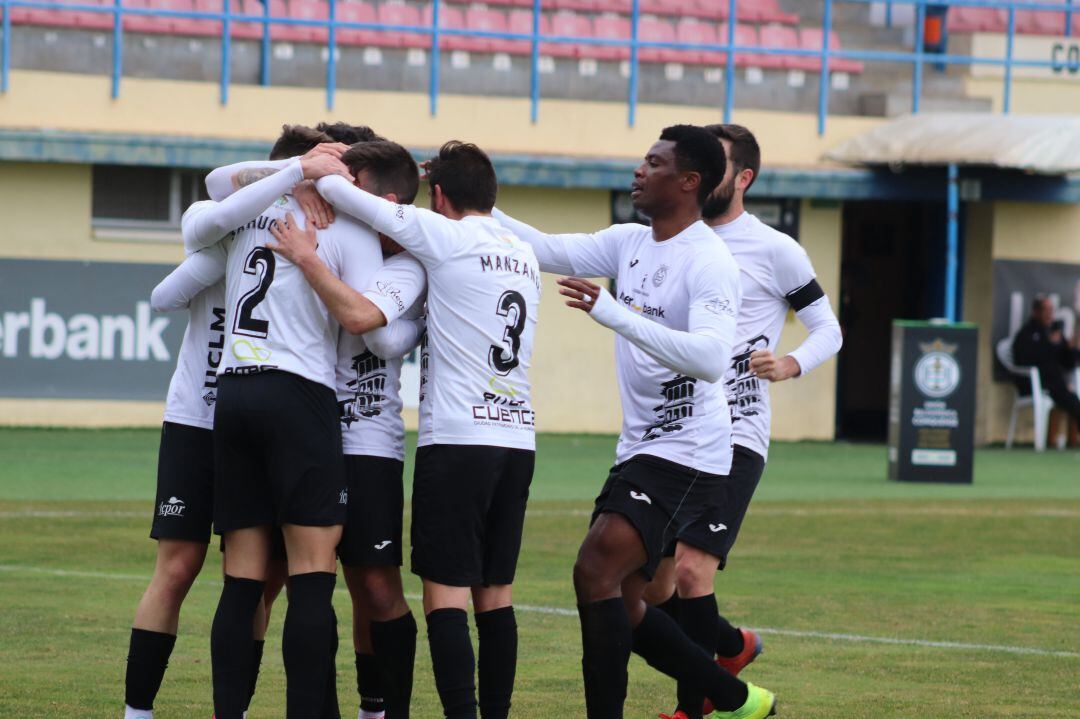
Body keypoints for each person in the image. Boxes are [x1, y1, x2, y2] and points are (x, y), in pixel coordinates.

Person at [493, 125, 776, 719]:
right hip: (643, 447)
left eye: (653, 163)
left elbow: (706, 358)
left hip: (692, 451)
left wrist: (611, 311)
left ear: (689, 182)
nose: (638, 171)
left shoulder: (710, 262)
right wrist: (473, 202)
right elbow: (542, 249)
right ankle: (736, 698)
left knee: (594, 566)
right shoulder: (629, 241)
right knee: (624, 601)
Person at [303, 140, 541, 719]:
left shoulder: (442, 236)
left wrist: (315, 172)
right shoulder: (524, 252)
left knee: (444, 599)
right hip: (517, 439)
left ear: (438, 197)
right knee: (496, 597)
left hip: (459, 442)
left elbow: (353, 198)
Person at [119, 147, 343, 719]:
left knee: (262, 575)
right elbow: (163, 296)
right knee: (180, 565)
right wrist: (220, 263)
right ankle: (136, 710)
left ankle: (236, 707)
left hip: (252, 417)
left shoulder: (302, 235)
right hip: (198, 419)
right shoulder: (231, 229)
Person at [178, 124, 387, 719]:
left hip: (235, 395)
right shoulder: (346, 226)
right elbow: (373, 323)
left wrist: (297, 170)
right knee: (313, 575)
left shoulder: (248, 210)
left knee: (242, 579)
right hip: (299, 396)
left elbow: (217, 186)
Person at [642, 124, 842, 719]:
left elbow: (828, 329)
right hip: (673, 431)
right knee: (650, 592)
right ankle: (730, 646)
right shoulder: (672, 238)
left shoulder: (775, 249)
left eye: (716, 165)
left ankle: (695, 709)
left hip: (737, 432)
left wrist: (790, 363)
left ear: (743, 178)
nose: (699, 174)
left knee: (691, 569)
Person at [267, 139, 430, 719]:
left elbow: (380, 336)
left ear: (383, 201)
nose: (332, 196)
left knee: (375, 587)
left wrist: (419, 328)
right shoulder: (326, 235)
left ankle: (381, 708)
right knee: (286, 581)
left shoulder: (410, 260)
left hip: (368, 443)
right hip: (304, 430)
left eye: (346, 185)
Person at [1012, 296, 1080, 425]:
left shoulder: (1053, 332)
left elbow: (1068, 362)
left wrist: (1072, 348)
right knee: (1069, 398)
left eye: (1051, 310)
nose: (1050, 314)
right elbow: (1025, 361)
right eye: (1046, 310)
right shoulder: (1026, 334)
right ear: (1036, 312)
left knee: (1071, 398)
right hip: (1034, 384)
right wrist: (1049, 345)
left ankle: (1070, 440)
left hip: (1056, 385)